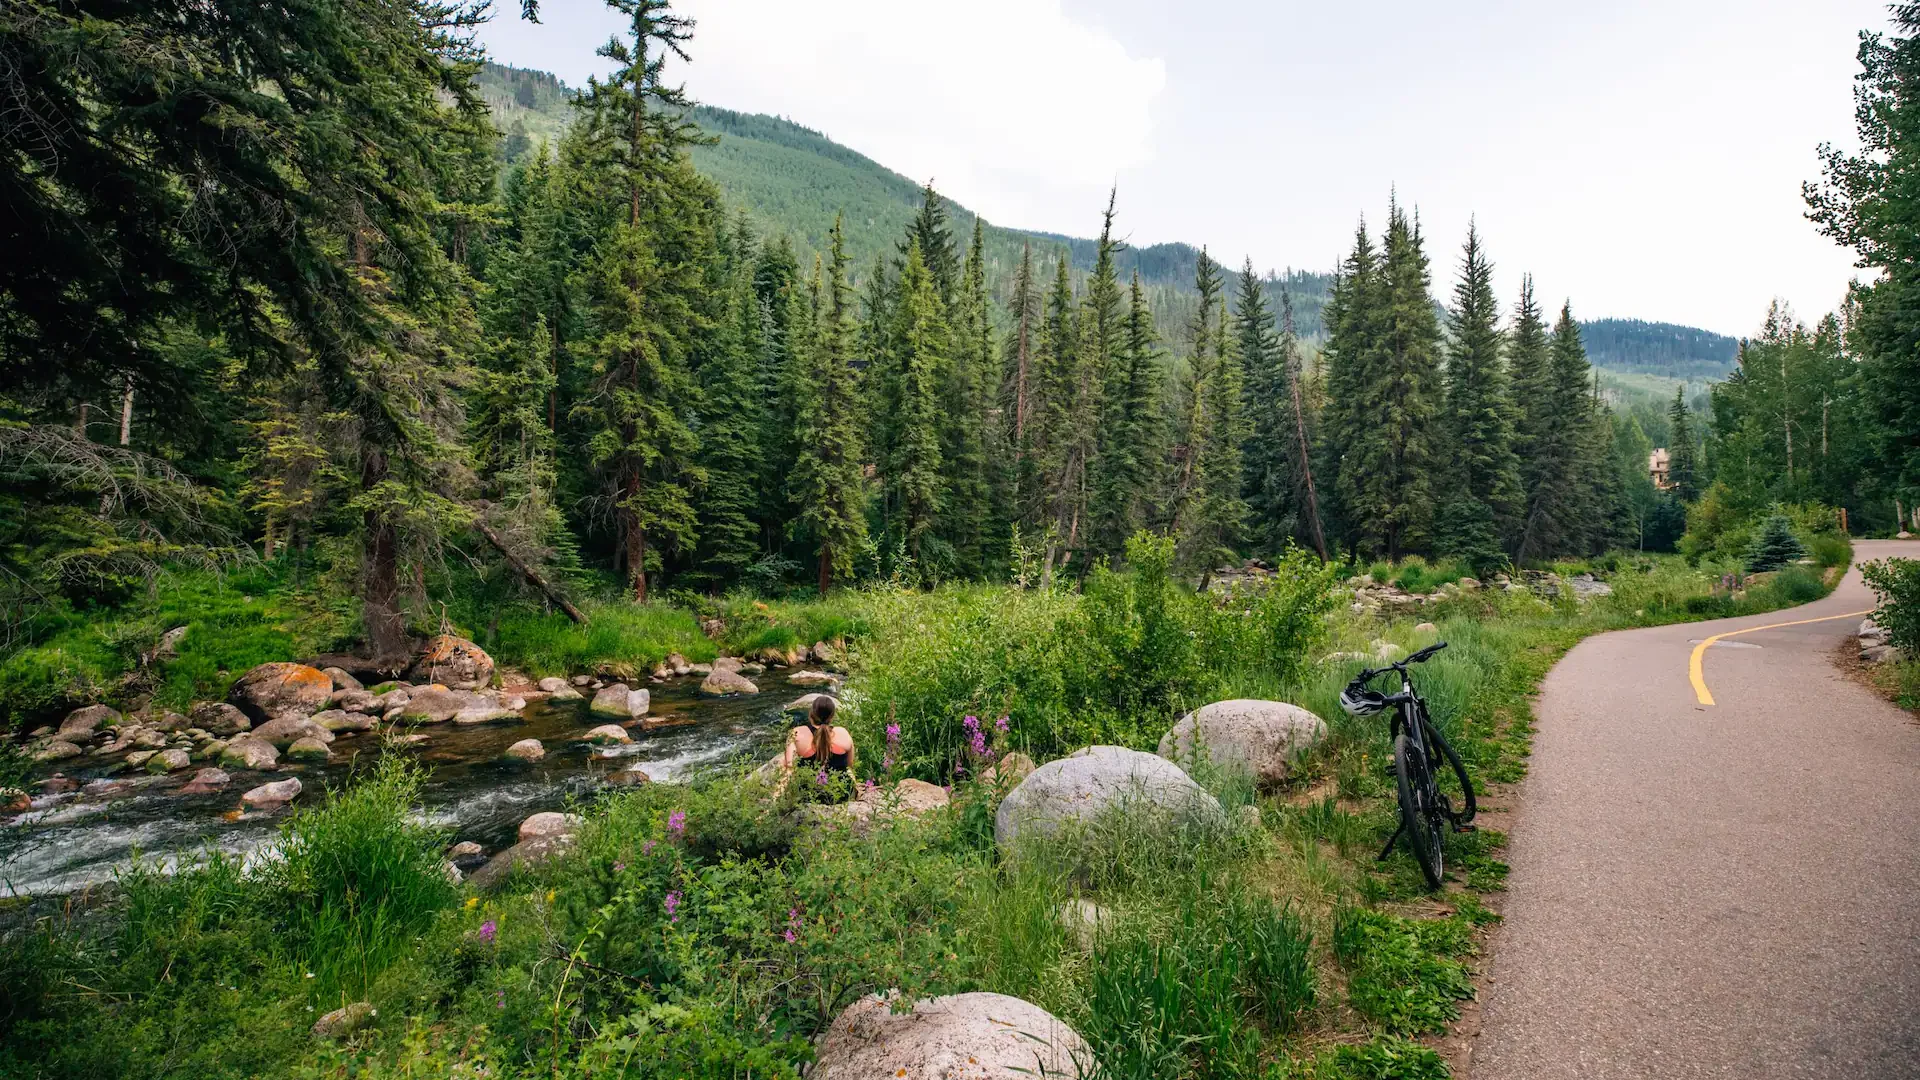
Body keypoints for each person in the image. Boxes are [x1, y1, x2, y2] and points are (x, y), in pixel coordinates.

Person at [783, 695, 856, 779]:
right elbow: (850, 764)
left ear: (811, 713)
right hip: (841, 789)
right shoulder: (843, 733)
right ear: (832, 717)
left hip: (809, 789)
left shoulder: (797, 732)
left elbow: (789, 764)